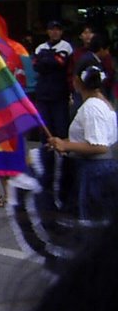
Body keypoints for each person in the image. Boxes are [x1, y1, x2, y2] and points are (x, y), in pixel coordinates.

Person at [47, 59, 117, 222]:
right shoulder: (101, 102)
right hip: (96, 170)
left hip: (95, 171)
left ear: (76, 81)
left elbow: (100, 146)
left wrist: (66, 145)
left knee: (93, 223)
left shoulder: (92, 107)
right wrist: (62, 142)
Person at [33, 20, 73, 141]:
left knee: (61, 128)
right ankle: (46, 157)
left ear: (61, 32)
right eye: (52, 29)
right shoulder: (41, 47)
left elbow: (60, 62)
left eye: (57, 29)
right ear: (47, 31)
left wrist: (46, 59)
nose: (54, 32)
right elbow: (36, 65)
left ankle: (64, 158)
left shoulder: (66, 46)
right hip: (42, 93)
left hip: (59, 94)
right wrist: (51, 58)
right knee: (45, 130)